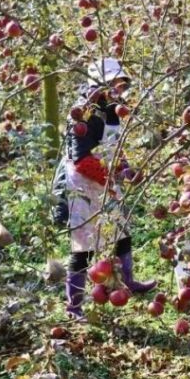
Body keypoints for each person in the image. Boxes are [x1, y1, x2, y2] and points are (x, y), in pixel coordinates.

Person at [60, 58, 154, 319]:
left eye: (120, 84)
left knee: (121, 232)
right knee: (83, 245)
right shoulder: (83, 113)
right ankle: (74, 306)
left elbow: (114, 146)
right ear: (99, 84)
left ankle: (128, 281)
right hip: (83, 184)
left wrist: (125, 168)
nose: (119, 89)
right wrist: (113, 178)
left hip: (107, 179)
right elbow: (81, 159)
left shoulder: (113, 109)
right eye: (114, 83)